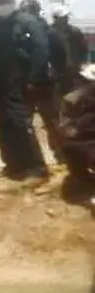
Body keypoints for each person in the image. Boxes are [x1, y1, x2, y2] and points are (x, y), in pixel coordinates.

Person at [0, 0, 50, 179]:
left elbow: (41, 49)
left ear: (13, 1)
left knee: (21, 124)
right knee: (2, 126)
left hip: (20, 83)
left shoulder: (28, 22)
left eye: (5, 1)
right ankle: (13, 165)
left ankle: (36, 166)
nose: (2, 5)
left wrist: (34, 78)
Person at [20, 0, 66, 163]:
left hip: (42, 84)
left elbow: (60, 57)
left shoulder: (46, 32)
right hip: (30, 84)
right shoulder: (22, 32)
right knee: (32, 123)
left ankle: (58, 155)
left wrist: (55, 73)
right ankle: (36, 158)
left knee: (49, 121)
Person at [57, 64, 95, 206]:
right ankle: (83, 181)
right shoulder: (72, 100)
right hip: (84, 139)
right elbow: (65, 124)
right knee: (70, 148)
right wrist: (73, 133)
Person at [52, 6, 89, 96]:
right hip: (56, 69)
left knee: (73, 94)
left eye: (66, 17)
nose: (66, 19)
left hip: (72, 68)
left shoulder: (75, 32)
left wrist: (82, 63)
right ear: (56, 19)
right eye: (63, 18)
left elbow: (83, 49)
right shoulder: (49, 33)